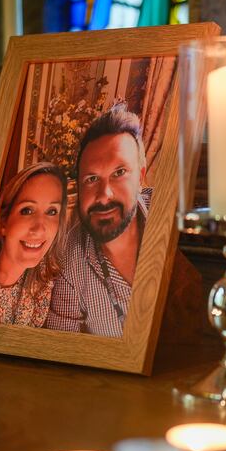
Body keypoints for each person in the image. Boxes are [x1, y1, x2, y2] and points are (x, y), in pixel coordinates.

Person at [46, 103, 150, 337]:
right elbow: (59, 350)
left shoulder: (172, 220)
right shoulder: (69, 258)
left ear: (141, 176)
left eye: (119, 173)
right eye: (92, 179)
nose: (104, 195)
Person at [0, 162, 68, 326]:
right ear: (3, 222)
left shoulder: (45, 276)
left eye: (52, 212)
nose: (39, 229)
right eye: (27, 210)